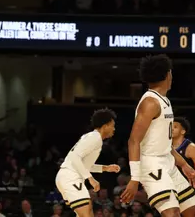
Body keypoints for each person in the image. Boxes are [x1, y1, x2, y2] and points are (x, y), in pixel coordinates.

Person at [121, 55, 195, 216]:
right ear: (168, 74)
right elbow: (133, 140)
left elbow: (165, 144)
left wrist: (184, 165)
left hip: (168, 162)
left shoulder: (165, 101)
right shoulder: (150, 103)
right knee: (172, 213)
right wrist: (135, 178)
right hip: (152, 165)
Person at [55, 108, 120, 217]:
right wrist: (90, 179)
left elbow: (84, 164)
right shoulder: (95, 137)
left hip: (68, 176)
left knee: (87, 212)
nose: (114, 129)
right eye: (112, 125)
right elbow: (75, 157)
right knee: (86, 213)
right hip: (70, 176)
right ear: (105, 126)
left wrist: (106, 168)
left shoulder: (94, 138)